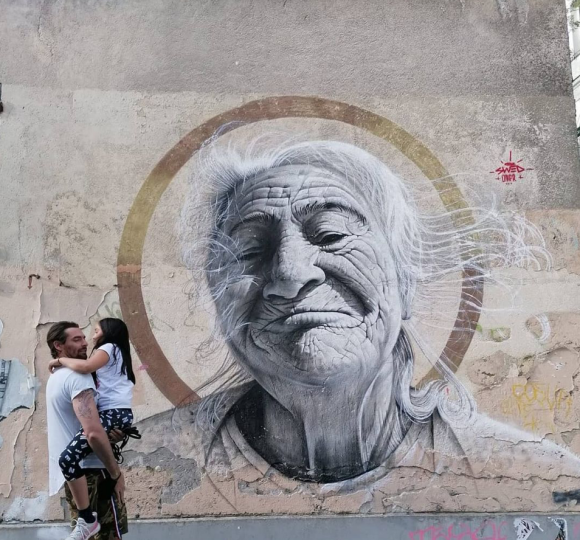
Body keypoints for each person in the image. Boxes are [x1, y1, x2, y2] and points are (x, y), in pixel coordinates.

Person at [132, 140, 580, 510]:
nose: (289, 275)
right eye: (249, 251)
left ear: (405, 282)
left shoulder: (536, 482)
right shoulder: (142, 472)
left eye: (330, 235)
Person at [46, 321, 128, 540]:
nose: (85, 343)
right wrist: (115, 473)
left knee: (86, 533)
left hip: (75, 473)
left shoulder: (56, 377)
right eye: (76, 339)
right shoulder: (78, 377)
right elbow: (92, 432)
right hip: (94, 470)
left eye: (84, 337)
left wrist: (111, 433)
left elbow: (89, 425)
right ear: (58, 345)